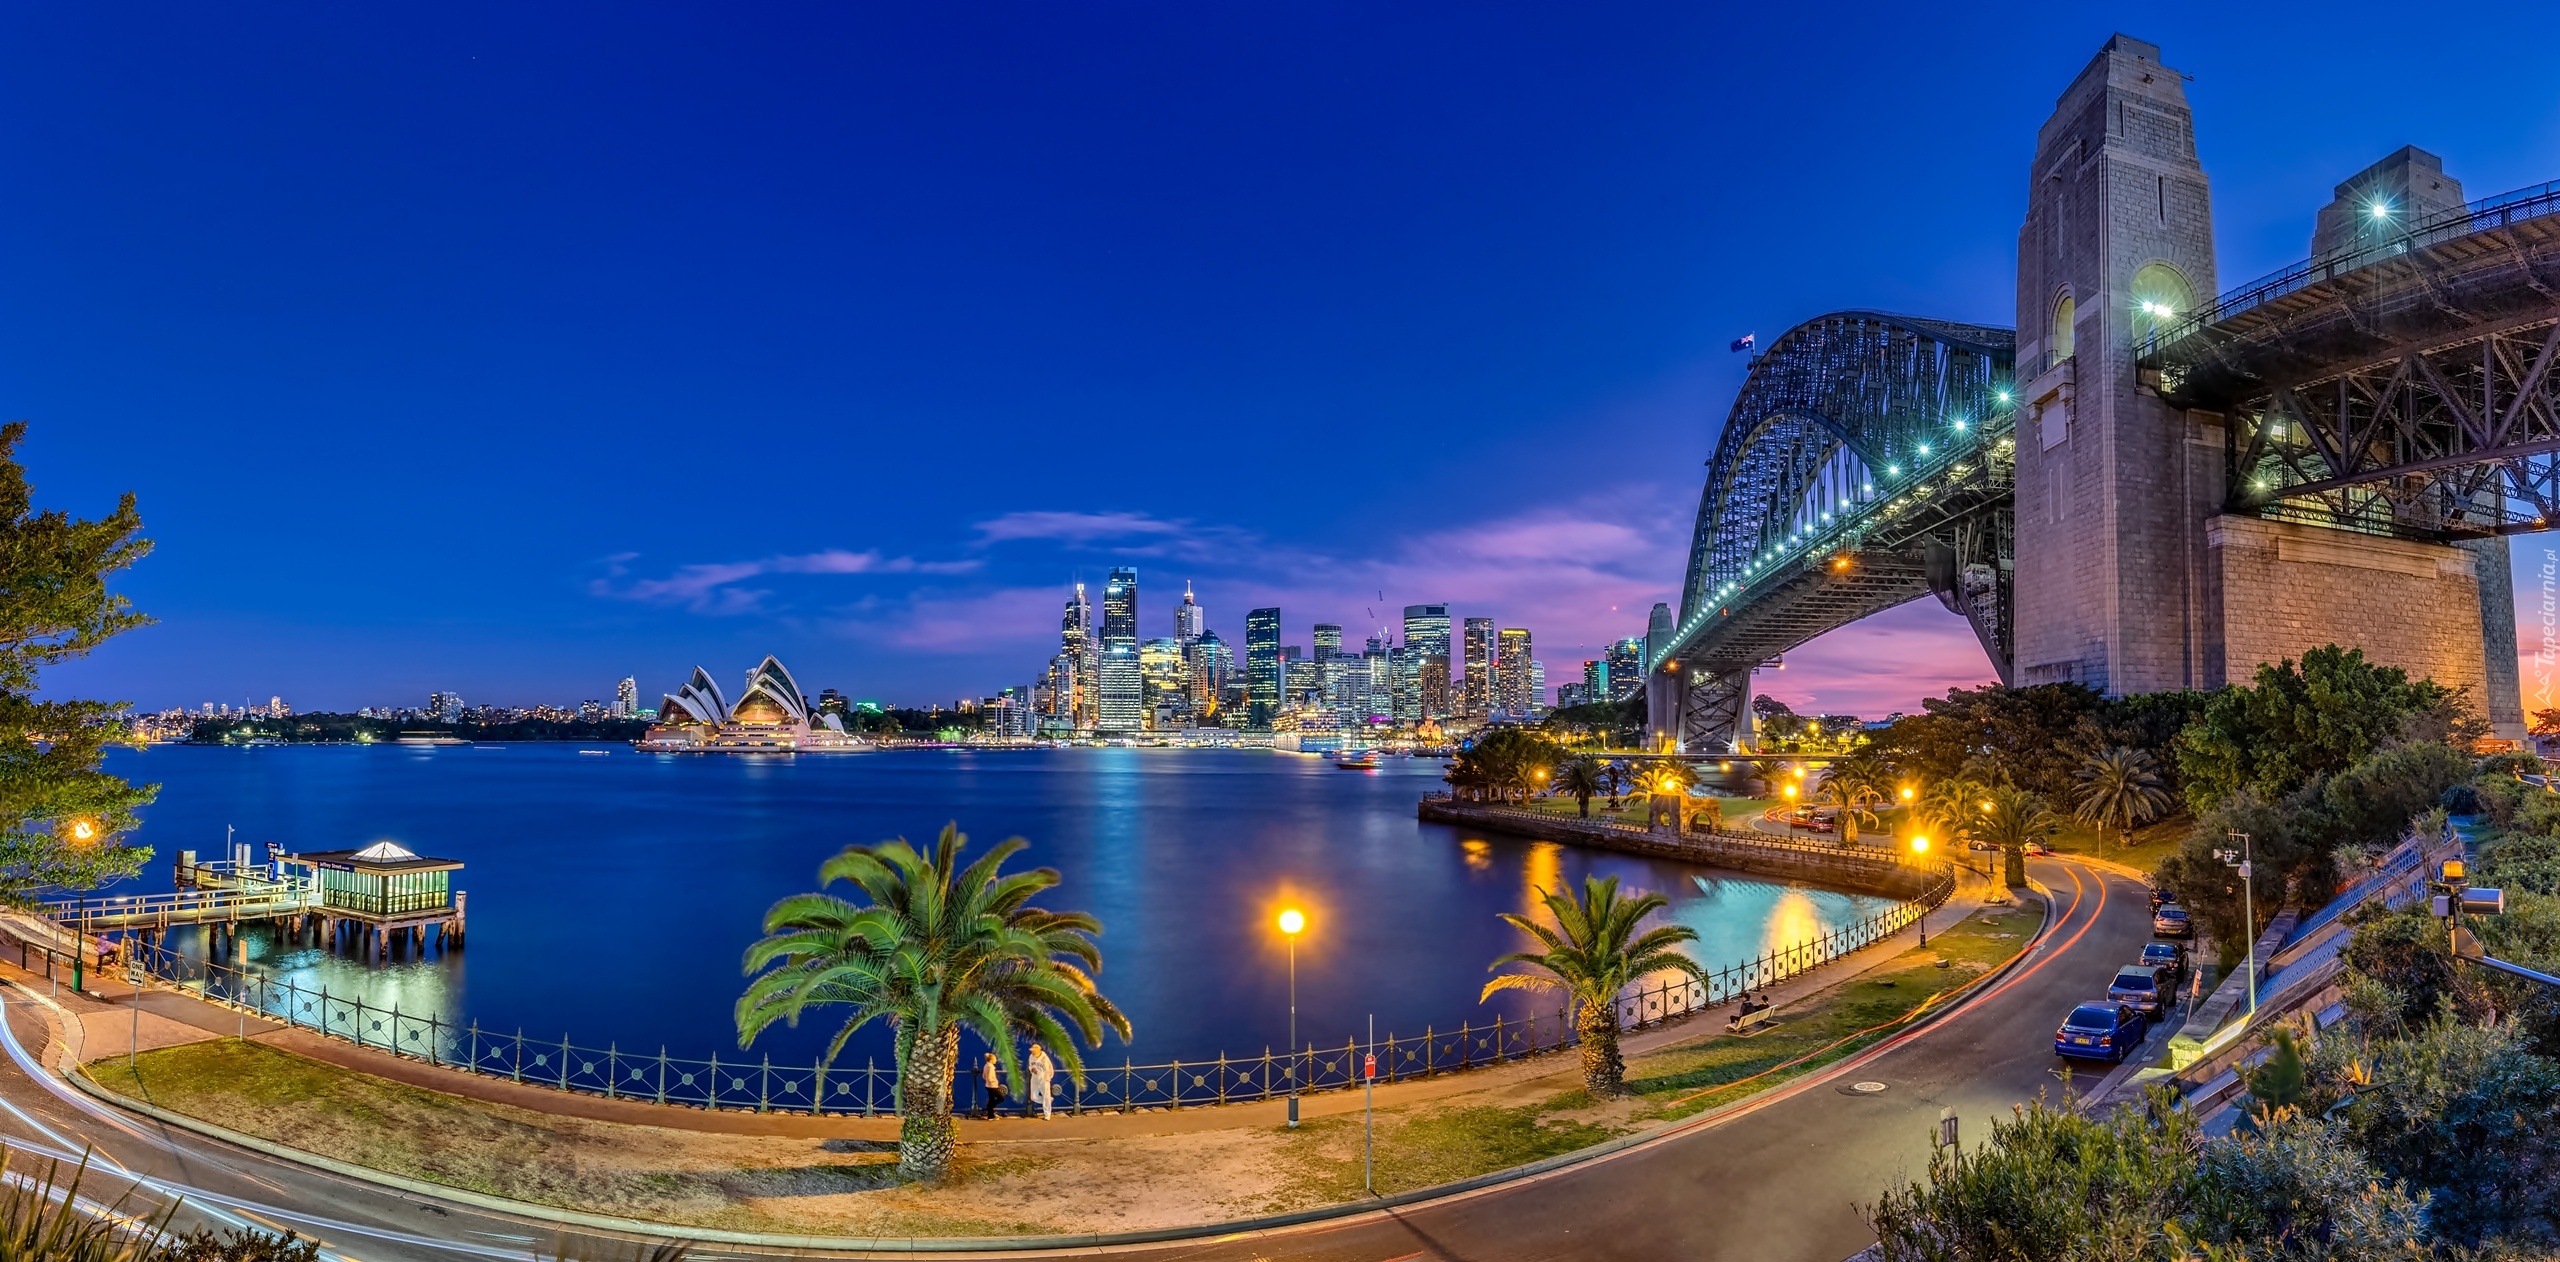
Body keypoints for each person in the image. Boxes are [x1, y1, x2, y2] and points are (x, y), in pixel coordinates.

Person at [1026, 1042, 1055, 1120]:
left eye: (1033, 1050)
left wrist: (1047, 1078)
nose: (1032, 1052)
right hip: (1034, 1078)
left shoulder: (1045, 1058)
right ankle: (1048, 1100)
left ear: (1038, 1050)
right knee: (1033, 1097)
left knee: (1046, 1095)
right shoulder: (1031, 1057)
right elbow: (1030, 1066)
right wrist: (1032, 1069)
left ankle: (1047, 1114)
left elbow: (1050, 1069)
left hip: (1044, 1079)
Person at [978, 1051, 1006, 1119]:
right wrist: (995, 1081)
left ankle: (991, 1115)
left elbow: (984, 1076)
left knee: (991, 1099)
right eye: (995, 1059)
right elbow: (990, 1077)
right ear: (991, 1060)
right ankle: (990, 1108)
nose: (996, 1060)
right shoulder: (991, 1067)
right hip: (992, 1086)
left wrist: (988, 1080)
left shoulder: (986, 1065)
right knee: (1001, 1098)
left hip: (988, 1085)